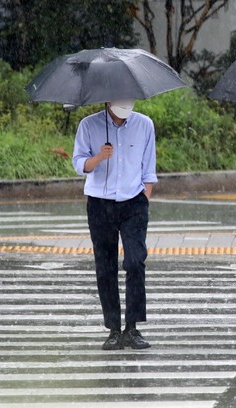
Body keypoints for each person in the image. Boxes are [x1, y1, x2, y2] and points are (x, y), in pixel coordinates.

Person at [72, 99, 157, 350]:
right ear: (107, 99)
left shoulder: (145, 125)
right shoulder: (89, 125)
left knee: (135, 260)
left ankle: (133, 327)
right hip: (100, 203)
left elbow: (148, 168)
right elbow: (79, 164)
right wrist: (99, 157)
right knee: (105, 265)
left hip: (133, 203)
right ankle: (113, 329)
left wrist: (144, 198)